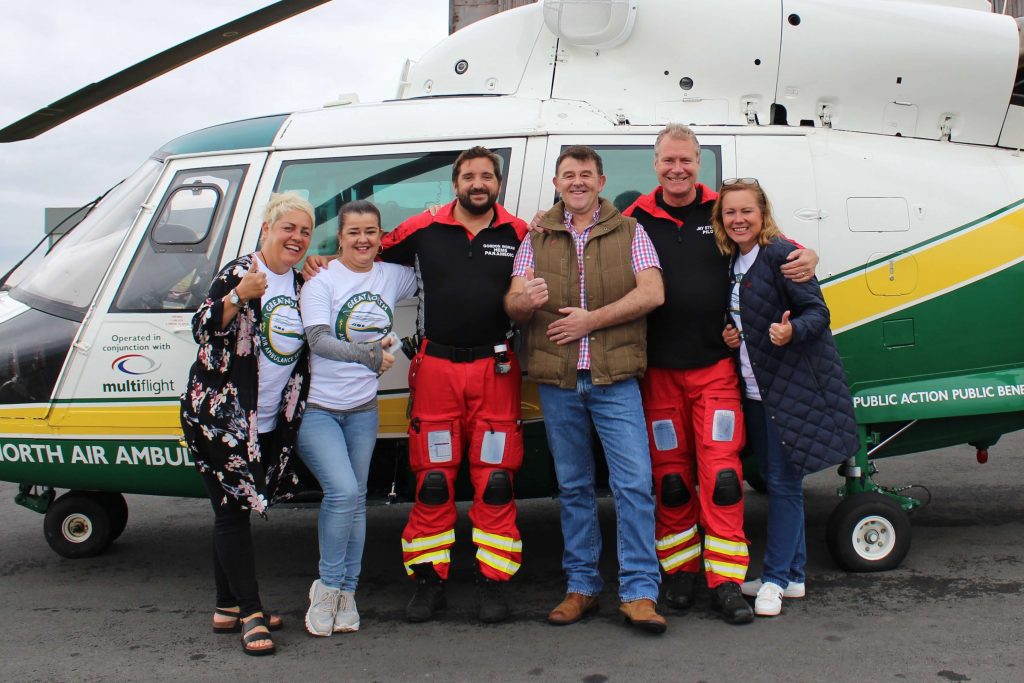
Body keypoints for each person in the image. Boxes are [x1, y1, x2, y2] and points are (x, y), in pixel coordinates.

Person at [621, 124, 819, 624]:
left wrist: (808, 255)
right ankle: (682, 572)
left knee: (723, 478)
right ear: (656, 164)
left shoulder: (723, 211)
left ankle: (726, 580)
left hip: (715, 372)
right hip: (658, 374)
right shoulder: (634, 218)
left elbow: (778, 247)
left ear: (699, 163)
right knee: (672, 481)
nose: (677, 169)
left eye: (686, 160)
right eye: (668, 160)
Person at [505, 145, 668, 634]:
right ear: (556, 183)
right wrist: (522, 301)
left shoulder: (631, 232)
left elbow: (653, 292)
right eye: (568, 175)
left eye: (586, 174)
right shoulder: (536, 236)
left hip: (615, 380)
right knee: (573, 488)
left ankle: (639, 593)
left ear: (601, 181)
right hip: (557, 382)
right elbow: (512, 302)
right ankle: (582, 587)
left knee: (634, 485)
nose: (577, 182)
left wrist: (589, 323)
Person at [380, 147, 528, 624]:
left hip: (496, 370)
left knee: (498, 481)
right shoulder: (423, 229)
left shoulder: (520, 232)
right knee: (434, 481)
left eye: (487, 176)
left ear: (498, 184)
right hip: (437, 369)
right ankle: (429, 581)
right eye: (469, 176)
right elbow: (365, 253)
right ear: (455, 183)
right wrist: (319, 263)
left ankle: (494, 581)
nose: (478, 183)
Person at [715, 178, 859, 617]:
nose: (738, 220)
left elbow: (819, 312)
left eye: (746, 212)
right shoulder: (731, 263)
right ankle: (793, 575)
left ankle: (775, 578)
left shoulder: (780, 255)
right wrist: (731, 334)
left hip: (787, 391)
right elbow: (743, 316)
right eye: (729, 213)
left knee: (781, 485)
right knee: (782, 479)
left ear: (763, 215)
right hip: (756, 392)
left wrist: (791, 330)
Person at [180, 192, 314, 656]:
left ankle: (225, 605)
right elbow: (200, 327)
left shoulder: (297, 282)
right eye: (288, 228)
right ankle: (251, 613)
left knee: (229, 508)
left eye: (304, 231)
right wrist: (238, 297)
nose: (295, 237)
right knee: (233, 510)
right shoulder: (241, 273)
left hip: (267, 418)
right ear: (266, 229)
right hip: (223, 417)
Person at [297, 200, 416, 636]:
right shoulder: (321, 280)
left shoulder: (390, 275)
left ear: (381, 236)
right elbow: (319, 340)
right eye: (353, 233)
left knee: (358, 501)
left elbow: (434, 273)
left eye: (371, 232)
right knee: (343, 492)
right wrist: (369, 356)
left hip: (363, 410)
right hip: (319, 409)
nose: (363, 240)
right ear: (339, 238)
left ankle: (348, 592)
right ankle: (326, 587)